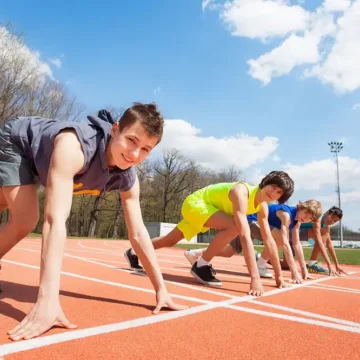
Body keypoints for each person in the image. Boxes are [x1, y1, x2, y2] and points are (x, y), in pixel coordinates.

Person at [0, 103, 186, 341]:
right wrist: (47, 300)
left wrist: (161, 289)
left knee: (7, 205)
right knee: (26, 219)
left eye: (146, 149)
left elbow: (138, 233)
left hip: (40, 160)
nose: (134, 154)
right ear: (115, 129)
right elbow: (54, 220)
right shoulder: (73, 147)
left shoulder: (128, 175)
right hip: (18, 141)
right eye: (131, 140)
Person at [125, 171, 294, 296]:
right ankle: (201, 265)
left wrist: (279, 277)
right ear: (265, 182)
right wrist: (255, 278)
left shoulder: (262, 207)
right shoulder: (242, 192)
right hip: (197, 204)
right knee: (236, 227)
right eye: (273, 186)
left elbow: (269, 240)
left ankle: (133, 252)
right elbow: (244, 236)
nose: (273, 193)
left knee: (170, 240)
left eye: (279, 192)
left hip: (210, 211)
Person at [185, 200, 322, 284]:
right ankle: (260, 264)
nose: (306, 218)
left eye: (310, 218)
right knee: (280, 238)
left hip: (254, 224)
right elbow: (286, 243)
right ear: (301, 207)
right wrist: (294, 272)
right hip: (251, 221)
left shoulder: (297, 222)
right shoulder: (287, 215)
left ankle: (194, 253)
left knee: (228, 252)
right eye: (306, 213)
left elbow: (297, 244)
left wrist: (304, 271)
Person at [280, 206, 347, 276]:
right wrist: (329, 265)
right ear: (327, 213)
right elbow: (319, 241)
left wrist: (337, 265)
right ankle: (312, 263)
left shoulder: (326, 226)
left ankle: (268, 260)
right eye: (332, 217)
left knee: (286, 265)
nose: (332, 221)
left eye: (335, 221)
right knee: (323, 233)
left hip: (293, 236)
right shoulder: (318, 218)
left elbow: (329, 244)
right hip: (289, 233)